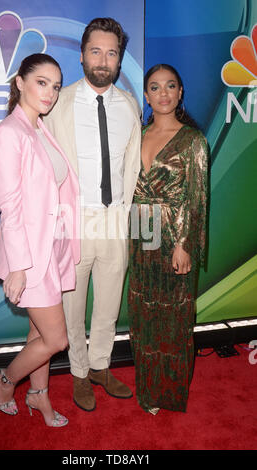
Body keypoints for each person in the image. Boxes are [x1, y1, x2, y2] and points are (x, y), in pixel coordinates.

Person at [44, 18, 141, 412]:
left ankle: (101, 365)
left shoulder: (129, 106)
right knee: (73, 305)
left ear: (120, 60)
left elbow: (132, 166)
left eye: (112, 53)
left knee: (108, 303)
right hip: (74, 220)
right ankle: (79, 373)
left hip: (115, 217)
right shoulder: (58, 104)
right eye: (96, 51)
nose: (103, 60)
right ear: (82, 54)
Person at [0, 53, 80, 427]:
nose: (51, 93)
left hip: (52, 247)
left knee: (38, 331)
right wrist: (21, 267)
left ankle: (39, 396)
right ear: (20, 82)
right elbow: (9, 208)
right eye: (42, 82)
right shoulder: (8, 135)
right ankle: (5, 380)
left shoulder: (39, 128)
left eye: (56, 86)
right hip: (30, 257)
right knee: (57, 340)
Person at [128, 64, 208, 414]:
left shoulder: (193, 140)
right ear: (146, 95)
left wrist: (184, 244)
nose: (163, 93)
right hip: (139, 231)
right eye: (155, 87)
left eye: (170, 86)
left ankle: (169, 391)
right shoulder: (136, 134)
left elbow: (198, 197)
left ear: (180, 93)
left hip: (173, 236)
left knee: (173, 319)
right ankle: (147, 390)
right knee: (144, 313)